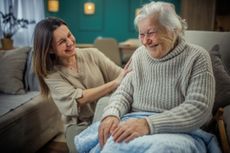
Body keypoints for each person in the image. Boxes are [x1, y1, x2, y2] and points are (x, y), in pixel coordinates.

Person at [90, 1, 220, 152]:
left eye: (151, 33)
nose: (145, 41)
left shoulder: (197, 57)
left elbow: (199, 108)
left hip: (180, 132)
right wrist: (111, 113)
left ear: (174, 30)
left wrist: (148, 124)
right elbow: (123, 92)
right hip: (134, 123)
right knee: (112, 143)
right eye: (141, 35)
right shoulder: (139, 55)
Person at [33, 17, 130, 153]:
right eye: (62, 41)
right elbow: (78, 99)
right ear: (50, 49)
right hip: (79, 126)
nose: (70, 42)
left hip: (107, 115)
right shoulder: (50, 74)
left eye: (69, 35)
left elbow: (122, 76)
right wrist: (114, 83)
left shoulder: (93, 54)